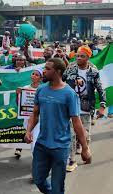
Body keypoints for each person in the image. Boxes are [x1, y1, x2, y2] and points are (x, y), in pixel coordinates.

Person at [25, 58, 92, 194]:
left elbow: (77, 122)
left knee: (57, 187)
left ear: (58, 72)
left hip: (60, 147)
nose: (44, 71)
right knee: (38, 180)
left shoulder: (69, 94)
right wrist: (28, 131)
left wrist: (85, 148)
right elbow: (35, 113)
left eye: (48, 69)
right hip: (42, 145)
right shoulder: (41, 90)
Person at [63, 46, 106, 172]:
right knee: (71, 134)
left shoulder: (93, 71)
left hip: (86, 106)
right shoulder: (70, 68)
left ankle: (85, 149)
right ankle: (71, 160)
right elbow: (61, 81)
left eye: (82, 56)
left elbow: (100, 89)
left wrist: (102, 106)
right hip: (70, 105)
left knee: (84, 135)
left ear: (88, 57)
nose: (79, 58)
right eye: (77, 56)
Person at [14, 68, 43, 158]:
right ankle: (38, 160)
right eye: (33, 74)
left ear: (41, 79)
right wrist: (17, 94)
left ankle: (38, 162)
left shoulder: (43, 89)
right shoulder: (25, 88)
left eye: (36, 75)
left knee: (35, 142)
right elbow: (18, 104)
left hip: (39, 119)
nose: (33, 76)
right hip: (27, 119)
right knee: (31, 140)